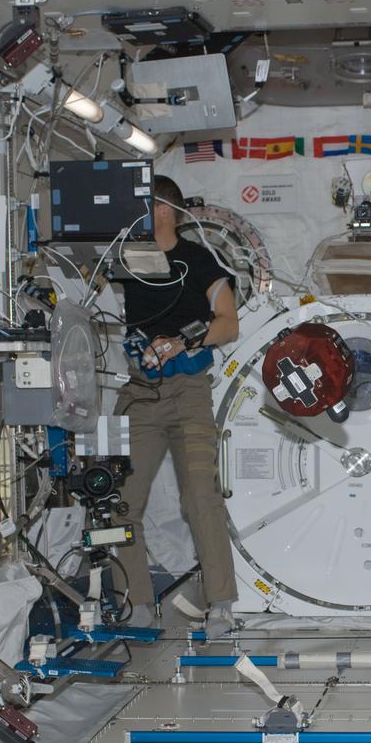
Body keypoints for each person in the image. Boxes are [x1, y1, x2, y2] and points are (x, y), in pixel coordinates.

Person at [110, 175, 239, 638]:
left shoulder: (197, 260)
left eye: (140, 206)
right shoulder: (123, 258)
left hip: (187, 393)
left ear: (163, 209)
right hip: (140, 393)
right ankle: (137, 603)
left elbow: (228, 323)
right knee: (120, 501)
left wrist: (182, 340)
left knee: (199, 497)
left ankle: (221, 603)